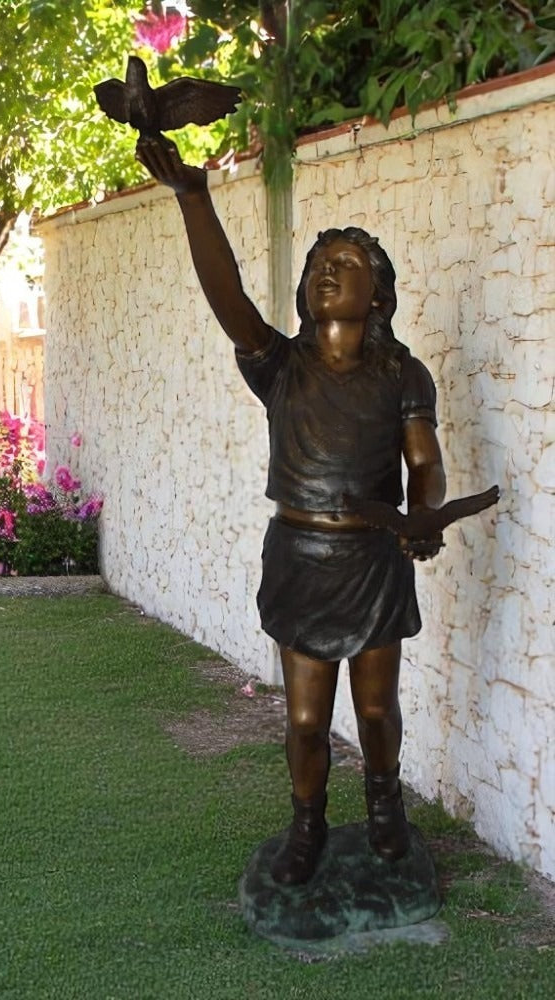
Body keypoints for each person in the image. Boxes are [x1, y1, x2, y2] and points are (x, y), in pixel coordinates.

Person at [135, 135, 447, 885]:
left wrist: (424, 515)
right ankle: (307, 822)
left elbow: (426, 465)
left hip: (373, 560)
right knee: (305, 719)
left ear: (377, 294)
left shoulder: (403, 373)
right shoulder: (280, 366)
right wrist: (193, 198)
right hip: (301, 559)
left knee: (376, 713)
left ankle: (384, 807)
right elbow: (228, 299)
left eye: (344, 267)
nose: (324, 274)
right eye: (317, 265)